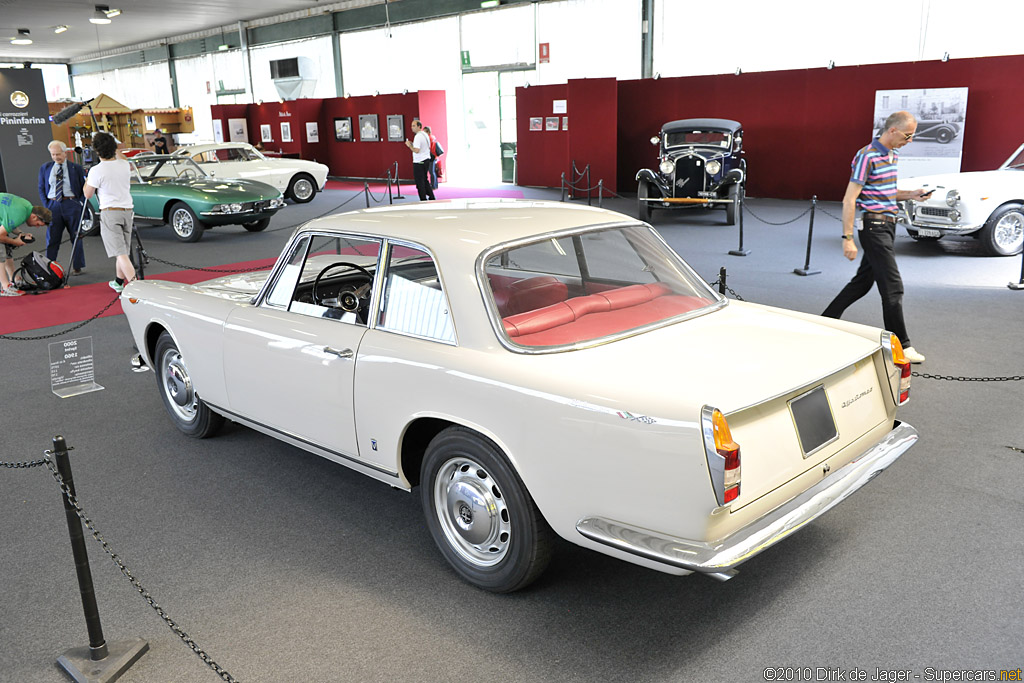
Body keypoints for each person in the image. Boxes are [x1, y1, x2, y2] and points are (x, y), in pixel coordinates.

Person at [822, 110, 929, 364]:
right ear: (892, 130)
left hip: (888, 226)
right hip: (874, 228)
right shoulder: (866, 156)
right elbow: (850, 199)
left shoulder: (893, 154)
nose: (910, 140)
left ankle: (824, 321)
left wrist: (912, 194)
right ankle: (902, 345)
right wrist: (847, 237)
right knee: (893, 287)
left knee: (862, 282)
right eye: (908, 135)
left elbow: (886, 193)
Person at [83, 131, 136, 293]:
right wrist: (113, 143)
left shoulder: (96, 170)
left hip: (110, 213)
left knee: (120, 253)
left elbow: (88, 194)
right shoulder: (124, 164)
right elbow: (121, 156)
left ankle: (137, 287)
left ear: (96, 151)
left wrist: (87, 180)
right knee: (123, 251)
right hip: (128, 211)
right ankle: (119, 282)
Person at [38, 140, 88, 276]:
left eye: (58, 154)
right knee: (52, 239)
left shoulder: (76, 168)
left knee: (76, 237)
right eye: (53, 155)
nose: (55, 157)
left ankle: (77, 266)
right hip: (53, 206)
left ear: (65, 153)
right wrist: (47, 205)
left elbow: (84, 187)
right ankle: (49, 267)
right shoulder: (45, 168)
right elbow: (41, 188)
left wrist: (79, 203)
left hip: (71, 204)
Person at [0, 194, 50, 297]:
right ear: (34, 216)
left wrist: (20, 234)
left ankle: (14, 279)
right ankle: (5, 288)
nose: (36, 227)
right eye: (38, 224)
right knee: (0, 252)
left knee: (7, 247)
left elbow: (9, 222)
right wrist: (15, 242)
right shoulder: (20, 213)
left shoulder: (27, 207)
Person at [404, 119, 435, 201]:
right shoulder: (424, 134)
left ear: (419, 126)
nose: (412, 128)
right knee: (424, 180)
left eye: (414, 126)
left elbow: (416, 150)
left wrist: (409, 146)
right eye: (411, 126)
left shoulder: (418, 136)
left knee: (420, 182)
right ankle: (431, 197)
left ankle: (423, 199)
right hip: (426, 160)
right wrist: (412, 144)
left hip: (419, 161)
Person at [424, 125, 444, 190]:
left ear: (427, 131)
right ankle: (435, 185)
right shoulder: (433, 137)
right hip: (434, 156)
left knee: (431, 172)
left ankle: (433, 185)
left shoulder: (429, 138)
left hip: (431, 156)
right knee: (433, 171)